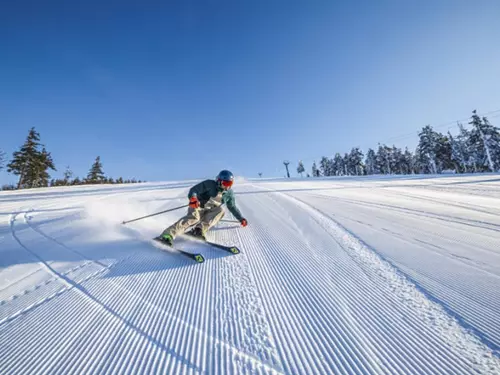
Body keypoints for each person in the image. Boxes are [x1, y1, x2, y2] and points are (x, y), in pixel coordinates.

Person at [158, 170, 247, 246]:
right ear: (219, 181)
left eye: (230, 184)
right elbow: (194, 190)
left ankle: (199, 230)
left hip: (210, 211)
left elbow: (232, 207)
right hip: (198, 206)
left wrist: (241, 218)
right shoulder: (209, 184)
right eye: (226, 183)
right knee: (194, 218)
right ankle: (167, 235)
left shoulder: (229, 193)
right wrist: (193, 198)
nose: (227, 186)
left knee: (221, 211)